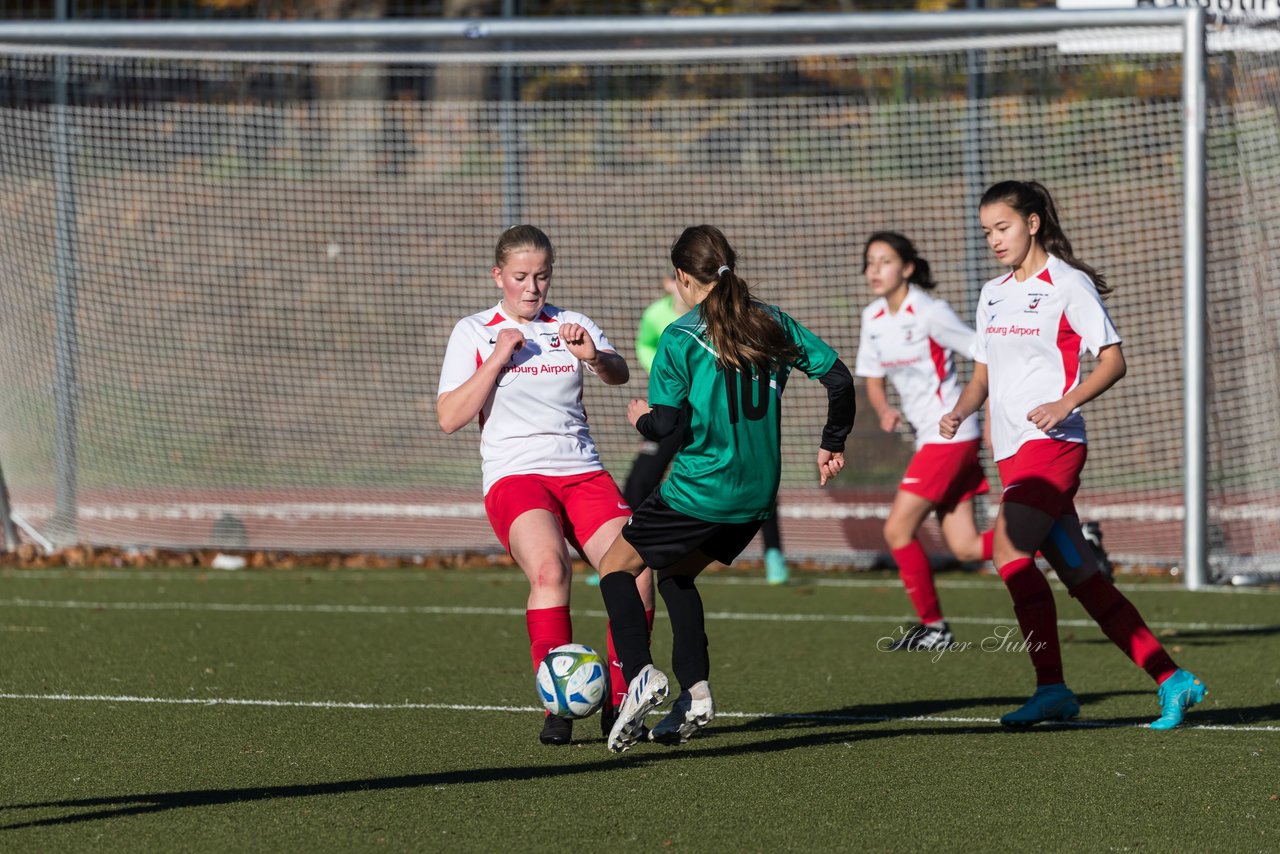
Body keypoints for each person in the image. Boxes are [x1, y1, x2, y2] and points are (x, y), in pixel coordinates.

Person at [939, 181, 1205, 730]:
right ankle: (1172, 677)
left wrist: (1066, 402)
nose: (994, 239)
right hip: (1014, 452)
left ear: (1032, 223)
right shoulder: (992, 292)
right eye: (987, 230)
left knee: (1010, 556)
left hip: (1054, 446)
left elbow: (1112, 360)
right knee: (1083, 577)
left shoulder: (1068, 284)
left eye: (1003, 227)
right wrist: (962, 409)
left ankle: (1052, 686)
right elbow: (985, 373)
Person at [595, 225, 857, 753]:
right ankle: (695, 693)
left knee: (614, 567)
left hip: (702, 488)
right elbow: (839, 379)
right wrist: (832, 442)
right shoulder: (772, 321)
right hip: (756, 497)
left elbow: (667, 429)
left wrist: (641, 420)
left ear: (682, 279)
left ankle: (643, 674)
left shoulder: (678, 337)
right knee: (674, 574)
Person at [436, 224, 655, 745]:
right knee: (550, 568)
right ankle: (558, 704)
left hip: (581, 471)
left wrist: (594, 357)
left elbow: (618, 373)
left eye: (542, 276)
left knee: (638, 569)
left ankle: (622, 702)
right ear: (498, 276)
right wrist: (498, 355)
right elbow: (450, 417)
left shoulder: (572, 323)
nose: (533, 287)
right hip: (516, 475)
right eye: (521, 277)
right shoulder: (474, 330)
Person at [855, 232, 995, 652]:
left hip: (950, 435)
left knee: (897, 529)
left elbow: (982, 351)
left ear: (908, 267)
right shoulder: (873, 318)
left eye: (885, 261)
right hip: (930, 439)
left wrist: (986, 412)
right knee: (967, 548)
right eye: (870, 262)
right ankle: (1066, 532)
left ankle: (934, 628)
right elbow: (873, 378)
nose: (875, 270)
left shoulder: (930, 312)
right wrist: (883, 410)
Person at [608, 275, 792, 586]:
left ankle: (774, 555)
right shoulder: (657, 314)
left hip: (710, 414)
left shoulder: (725, 315)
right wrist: (664, 373)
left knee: (748, 479)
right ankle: (620, 551)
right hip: (672, 409)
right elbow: (645, 343)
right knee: (642, 475)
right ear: (673, 282)